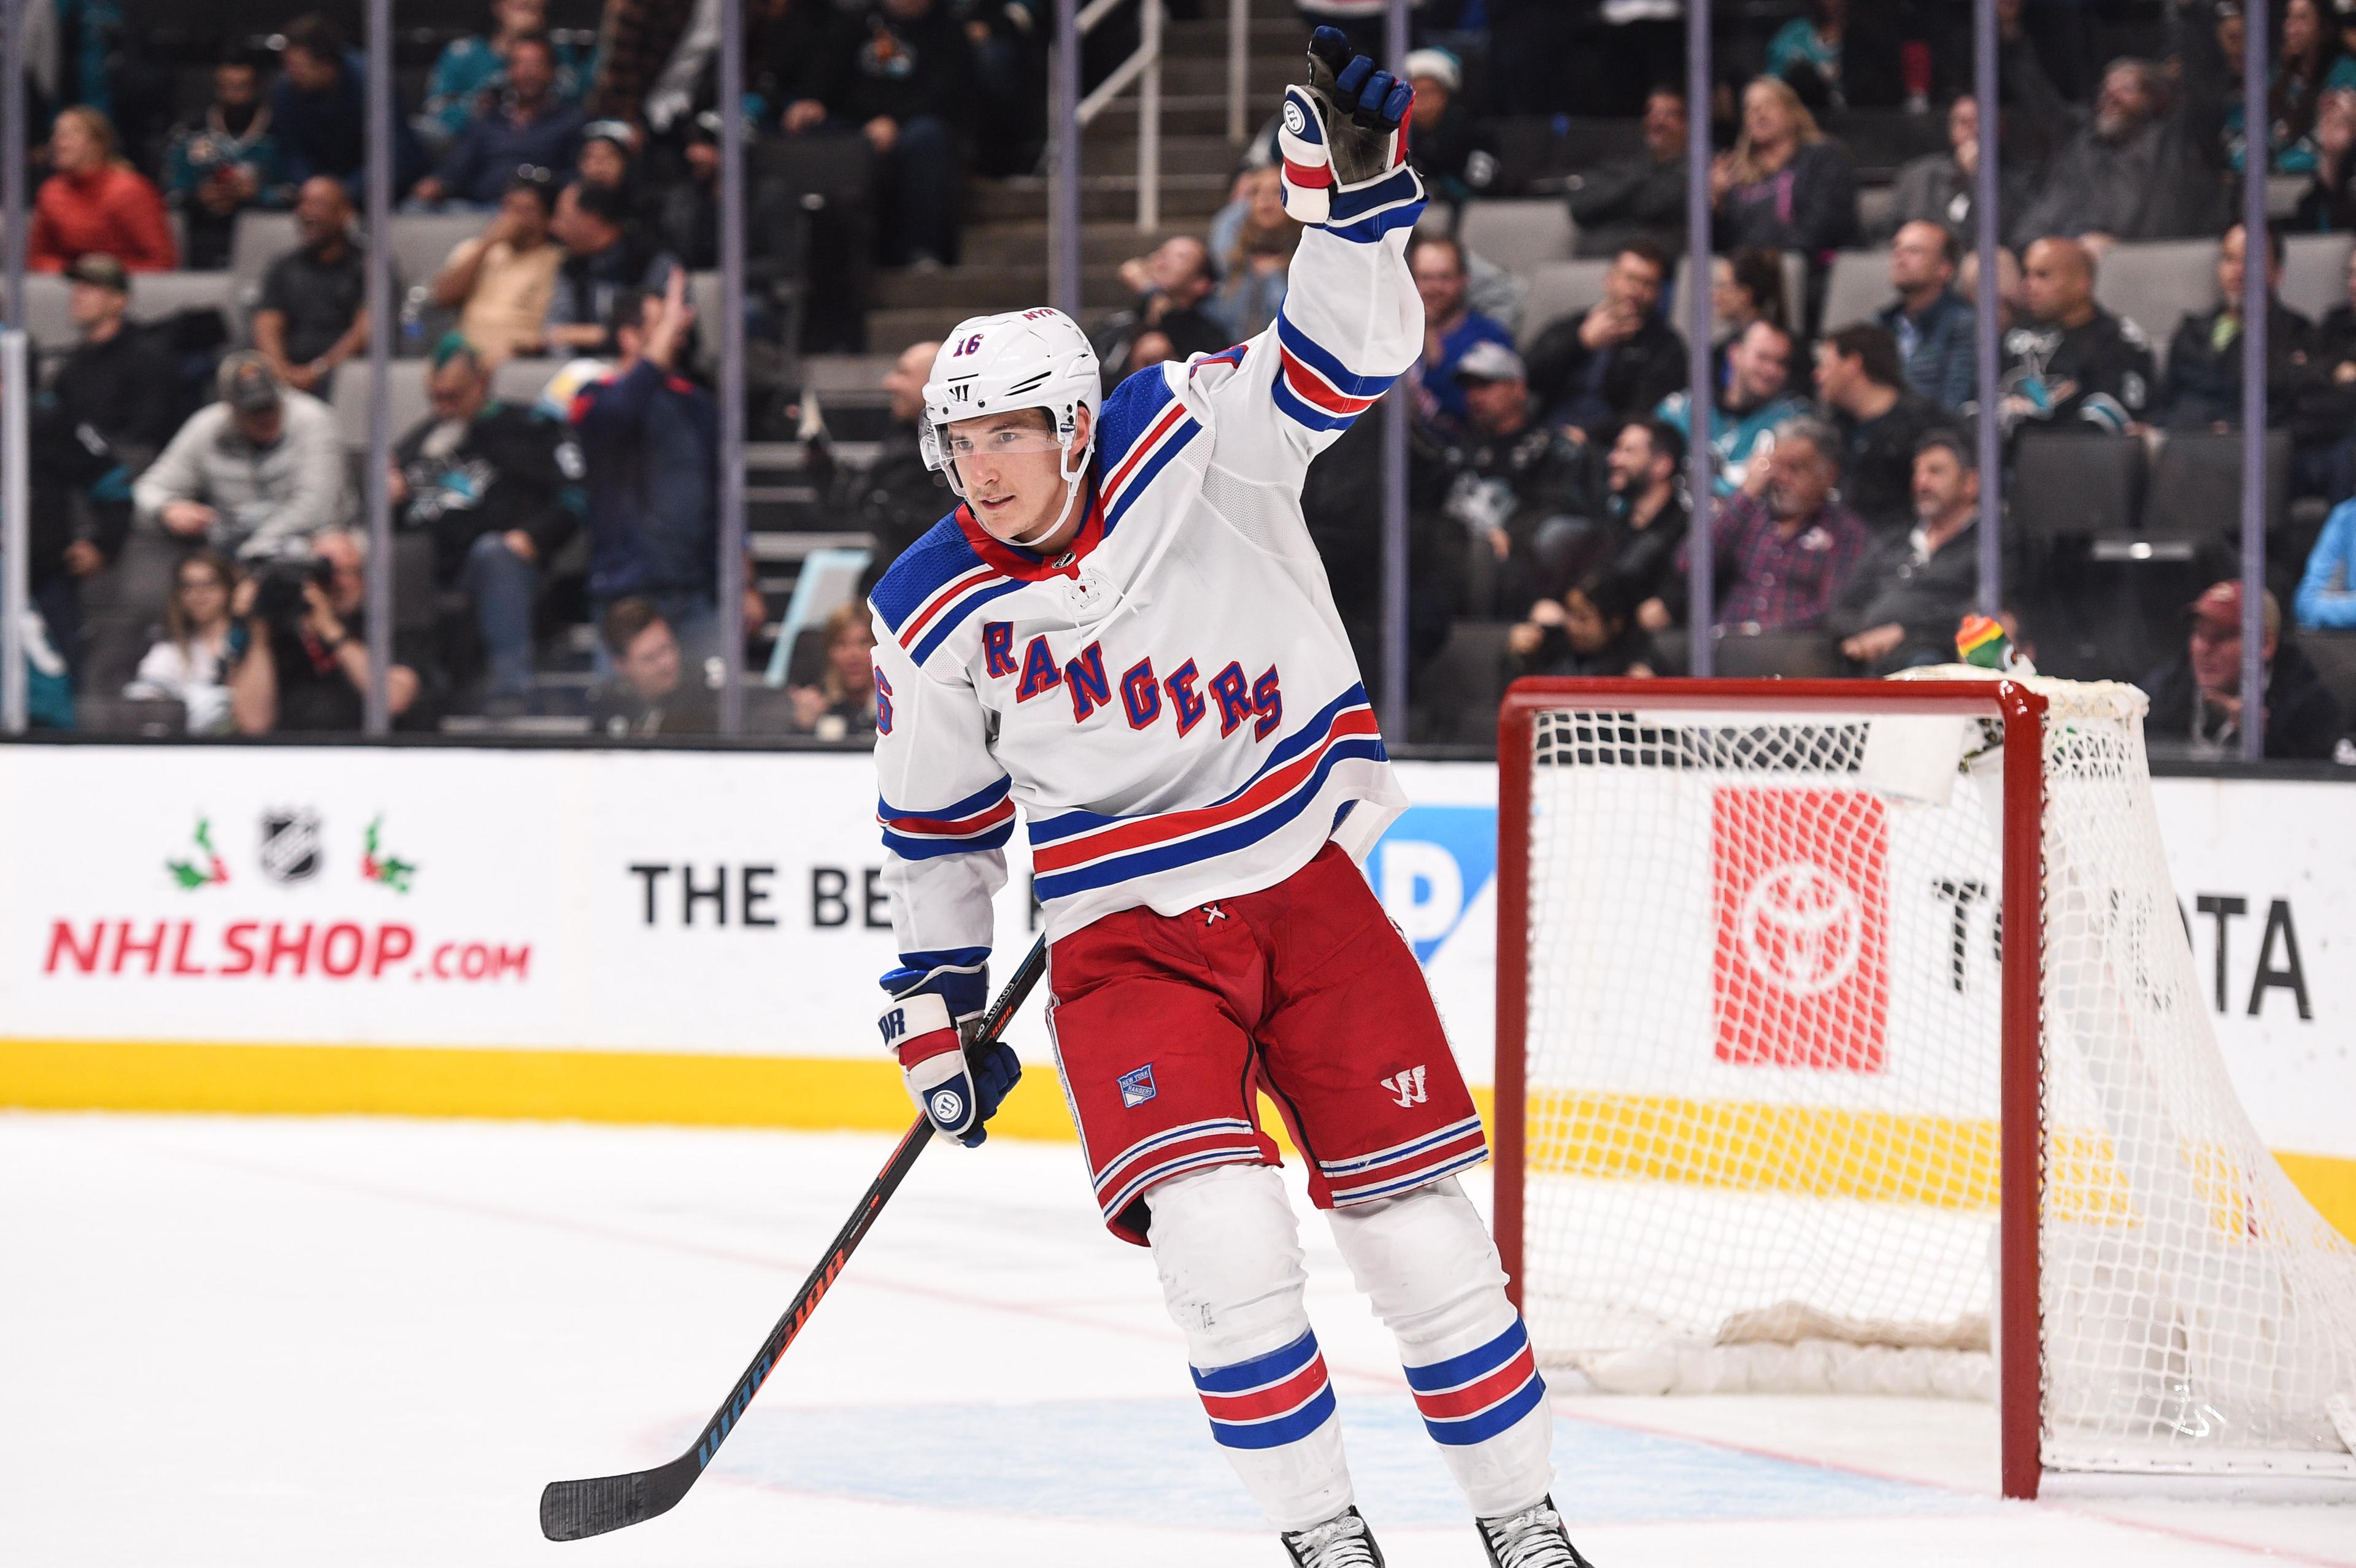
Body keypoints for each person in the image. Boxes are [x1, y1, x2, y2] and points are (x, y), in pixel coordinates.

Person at [863, 33, 1592, 1566]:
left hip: (1299, 893)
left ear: (1070, 425)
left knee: (1422, 1244)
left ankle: (1523, 1527)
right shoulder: (929, 608)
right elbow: (935, 824)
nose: (978, 468)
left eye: (1005, 435)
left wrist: (1351, 212)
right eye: (958, 441)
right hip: (1124, 939)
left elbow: (1341, 361)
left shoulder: (1194, 436)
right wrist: (933, 1002)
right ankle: (1323, 1537)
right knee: (1223, 1244)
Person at [390, 337, 583, 706]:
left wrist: (536, 537)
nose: (443, 408)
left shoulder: (528, 427)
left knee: (494, 553)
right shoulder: (420, 440)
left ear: (482, 382)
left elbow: (576, 494)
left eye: (454, 397)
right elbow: (397, 513)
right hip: (432, 573)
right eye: (436, 397)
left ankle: (509, 691)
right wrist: (389, 499)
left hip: (503, 566)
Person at [570, 272, 719, 663]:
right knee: (624, 714)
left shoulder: (696, 402)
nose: (678, 336)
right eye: (662, 327)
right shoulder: (594, 396)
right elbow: (619, 416)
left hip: (693, 589)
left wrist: (744, 580)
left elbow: (722, 494)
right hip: (626, 590)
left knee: (707, 718)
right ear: (629, 337)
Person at [1411, 341, 1601, 619]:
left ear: (1519, 389)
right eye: (1469, 387)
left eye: (1486, 385)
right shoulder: (1457, 450)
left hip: (1516, 564)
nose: (1475, 396)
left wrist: (1511, 533)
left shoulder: (1549, 448)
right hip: (1450, 556)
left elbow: (1561, 505)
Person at [779, 0, 975, 267]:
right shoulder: (857, 22)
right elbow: (829, 69)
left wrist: (896, 121)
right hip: (855, 124)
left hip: (914, 125)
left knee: (927, 138)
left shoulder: (948, 29)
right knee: (809, 133)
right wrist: (812, 99)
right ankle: (815, 261)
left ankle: (921, 250)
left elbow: (947, 92)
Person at [136, 353, 352, 562]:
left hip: (307, 537)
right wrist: (167, 508)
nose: (265, 417)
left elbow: (317, 505)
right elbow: (148, 488)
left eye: (269, 405)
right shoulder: (207, 427)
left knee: (335, 551)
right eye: (253, 410)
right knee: (198, 571)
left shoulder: (313, 419)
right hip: (230, 543)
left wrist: (257, 548)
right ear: (230, 408)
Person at [2009, 52, 2228, 246]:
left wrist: (2186, 14)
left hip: (2147, 263)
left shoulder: (2174, 145)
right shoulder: (2082, 142)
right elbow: (2042, 102)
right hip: (2069, 256)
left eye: (2126, 88)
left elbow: (2201, 87)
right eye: (2106, 88)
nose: (2111, 95)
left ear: (2156, 100)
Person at [226, 528, 422, 734]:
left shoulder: (385, 628)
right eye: (321, 572)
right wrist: (259, 632)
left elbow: (393, 699)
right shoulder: (279, 632)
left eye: (343, 571)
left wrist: (332, 630)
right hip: (292, 754)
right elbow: (253, 723)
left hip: (368, 753)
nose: (333, 582)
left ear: (365, 579)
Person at [1684, 417, 1869, 632]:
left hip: (1796, 653)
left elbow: (1835, 610)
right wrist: (1745, 494)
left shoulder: (1845, 532)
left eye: (1795, 469)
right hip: (1723, 646)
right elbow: (1687, 565)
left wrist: (1763, 632)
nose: (1781, 478)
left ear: (1828, 475)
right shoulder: (1747, 516)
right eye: (1775, 466)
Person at [1828, 432, 1986, 674]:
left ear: (1971, 483)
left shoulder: (1991, 544)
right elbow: (1843, 607)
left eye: (1935, 472)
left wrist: (1904, 634)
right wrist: (1864, 637)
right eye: (1918, 472)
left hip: (1935, 659)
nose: (1921, 483)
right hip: (1865, 659)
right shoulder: (1892, 540)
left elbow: (1989, 612)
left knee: (1924, 662)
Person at [13, 380, 134, 683]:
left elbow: (112, 481)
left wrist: (103, 544)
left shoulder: (48, 420)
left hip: (44, 582)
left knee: (60, 681)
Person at [2144, 580, 2339, 759]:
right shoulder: (2170, 687)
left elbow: (2315, 782)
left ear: (2265, 645)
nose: (2204, 649)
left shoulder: (2308, 704)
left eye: (2220, 637)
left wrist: (2265, 739)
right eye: (2199, 634)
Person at [2158, 223, 2317, 432]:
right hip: (2191, 450)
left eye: (2249, 260)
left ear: (2277, 274)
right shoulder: (2191, 332)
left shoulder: (2299, 333)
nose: (2237, 270)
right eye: (2229, 259)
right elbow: (2167, 405)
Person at [1522, 240, 1686, 443]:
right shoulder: (1574, 326)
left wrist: (1589, 437)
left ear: (1659, 293)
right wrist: (1580, 342)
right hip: (1546, 435)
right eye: (1630, 279)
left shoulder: (1665, 346)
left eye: (1647, 283)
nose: (1635, 290)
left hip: (1608, 447)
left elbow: (1646, 415)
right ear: (1609, 280)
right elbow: (1527, 376)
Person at [410, 32, 585, 209]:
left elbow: (577, 177)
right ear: (509, 71)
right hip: (478, 210)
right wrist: (436, 183)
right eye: (519, 64)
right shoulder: (489, 120)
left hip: (537, 212)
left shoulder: (570, 121)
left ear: (551, 71)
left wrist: (541, 189)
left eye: (536, 64)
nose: (527, 73)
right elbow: (456, 167)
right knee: (414, 208)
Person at [2001, 237, 2157, 435]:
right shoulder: (2018, 335)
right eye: (2027, 274)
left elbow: (2114, 419)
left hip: (2078, 456)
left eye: (2042, 275)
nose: (2029, 285)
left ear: (2082, 282)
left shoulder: (2119, 340)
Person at [1815, 323, 1952, 531]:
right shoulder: (1833, 428)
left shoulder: (1924, 427)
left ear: (1852, 364)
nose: (1818, 376)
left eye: (1825, 365)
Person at [272, 15, 428, 198]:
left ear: (327, 65)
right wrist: (312, 190)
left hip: (383, 192)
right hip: (322, 190)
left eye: (299, 67)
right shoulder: (287, 88)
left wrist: (343, 193)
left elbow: (393, 156)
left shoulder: (372, 82)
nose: (291, 75)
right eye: (288, 66)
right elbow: (292, 152)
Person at [1709, 76, 1860, 263]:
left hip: (1814, 271)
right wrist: (1716, 204)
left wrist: (1772, 265)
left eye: (1768, 104)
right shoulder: (1737, 175)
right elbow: (1726, 244)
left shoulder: (1825, 159)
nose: (1758, 112)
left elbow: (1822, 226)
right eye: (1750, 108)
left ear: (1793, 112)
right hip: (1751, 278)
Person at [163, 53, 287, 271]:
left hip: (263, 228)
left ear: (257, 87)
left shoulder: (282, 132)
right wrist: (198, 196)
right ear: (216, 88)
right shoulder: (190, 132)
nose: (234, 95)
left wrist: (257, 194)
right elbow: (170, 193)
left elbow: (295, 191)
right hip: (203, 231)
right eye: (226, 86)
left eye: (243, 86)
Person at [1657, 318, 1807, 496]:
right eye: (1763, 358)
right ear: (1735, 354)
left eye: (1781, 363)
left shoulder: (1795, 424)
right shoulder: (1680, 410)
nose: (1771, 371)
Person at [253, 177, 373, 400]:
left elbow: (366, 330)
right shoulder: (285, 266)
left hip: (344, 379)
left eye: (319, 204)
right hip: (283, 381)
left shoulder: (369, 266)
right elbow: (267, 324)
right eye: (303, 203)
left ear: (345, 213)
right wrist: (281, 372)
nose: (307, 213)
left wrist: (318, 371)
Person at [50, 253, 178, 461]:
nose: (77, 295)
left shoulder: (148, 357)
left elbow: (150, 432)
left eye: (91, 287)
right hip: (79, 463)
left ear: (119, 300)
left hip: (129, 466)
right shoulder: (73, 363)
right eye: (77, 286)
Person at [431, 170, 565, 365]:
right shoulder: (475, 249)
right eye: (509, 208)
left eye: (527, 211)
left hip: (520, 360)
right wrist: (487, 245)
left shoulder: (558, 260)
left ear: (547, 219)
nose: (515, 219)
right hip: (464, 357)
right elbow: (442, 297)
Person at [28, 107, 176, 274]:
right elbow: (37, 258)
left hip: (126, 288)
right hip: (69, 288)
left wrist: (102, 275)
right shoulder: (50, 192)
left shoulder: (131, 190)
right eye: (56, 135)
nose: (57, 142)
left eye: (68, 135)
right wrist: (73, 272)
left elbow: (162, 261)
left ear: (96, 145)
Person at [423, 0, 590, 146]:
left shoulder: (558, 53)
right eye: (521, 7)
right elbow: (437, 109)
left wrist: (532, 43)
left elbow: (575, 101)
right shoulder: (463, 53)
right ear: (498, 6)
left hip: (541, 142)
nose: (529, 7)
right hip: (470, 141)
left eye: (534, 7)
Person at [1879, 95, 2032, 247]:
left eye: (1982, 121)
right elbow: (1890, 231)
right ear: (1952, 129)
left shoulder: (2018, 181)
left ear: (2000, 129)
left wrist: (1976, 176)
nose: (1975, 130)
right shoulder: (1920, 176)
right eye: (1965, 123)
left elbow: (2006, 234)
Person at [545, 180, 677, 355]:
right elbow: (556, 333)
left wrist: (596, 335)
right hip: (586, 371)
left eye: (563, 218)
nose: (554, 227)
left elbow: (662, 332)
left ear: (593, 219)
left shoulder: (653, 260)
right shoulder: (571, 267)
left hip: (645, 369)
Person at [1406, 233, 1515, 432]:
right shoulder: (1394, 338)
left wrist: (1429, 334)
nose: (1434, 287)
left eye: (1445, 277)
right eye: (1425, 277)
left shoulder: (1490, 337)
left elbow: (1475, 409)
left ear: (1463, 280)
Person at [1093, 236, 1233, 388]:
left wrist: (1151, 292)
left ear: (1201, 284)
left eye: (1181, 256)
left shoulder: (1209, 339)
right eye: (1162, 251)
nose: (1164, 257)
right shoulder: (1117, 325)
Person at [1567, 85, 1688, 258]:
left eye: (1669, 114)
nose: (1658, 121)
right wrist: (1638, 181)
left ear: (1688, 123)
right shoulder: (1627, 162)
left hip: (1665, 264)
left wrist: (1618, 207)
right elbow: (1581, 206)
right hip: (1608, 258)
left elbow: (1656, 205)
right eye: (1652, 113)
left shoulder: (1699, 168)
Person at [125, 549, 238, 733]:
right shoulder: (170, 647)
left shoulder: (248, 640)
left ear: (228, 588)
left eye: (209, 584)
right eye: (189, 586)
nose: (199, 595)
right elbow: (144, 696)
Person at [1600, 415, 1691, 634]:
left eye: (1628, 451)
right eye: (1616, 449)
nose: (1614, 459)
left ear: (1662, 465)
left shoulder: (1688, 530)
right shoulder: (1614, 528)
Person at [1876, 221, 1979, 411]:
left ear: (1945, 269)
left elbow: (1955, 402)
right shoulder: (1882, 323)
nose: (1899, 257)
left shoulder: (1964, 325)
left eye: (1914, 251)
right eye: (1896, 248)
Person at [589, 596, 717, 735]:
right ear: (621, 665)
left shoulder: (706, 692)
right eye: (651, 658)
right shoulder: (608, 704)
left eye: (667, 648)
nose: (667, 664)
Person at [1210, 167, 1301, 341]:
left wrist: (1273, 273)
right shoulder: (1231, 258)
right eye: (1255, 192)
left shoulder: (1308, 255)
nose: (1265, 199)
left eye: (1277, 191)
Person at [1509, 571, 1657, 678]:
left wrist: (1647, 693)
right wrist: (1518, 659)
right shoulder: (1549, 646)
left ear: (1615, 623)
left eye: (1583, 618)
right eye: (1569, 615)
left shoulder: (1639, 660)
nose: (1572, 627)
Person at [1401, 48, 1494, 210]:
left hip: (1469, 219)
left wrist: (1441, 188)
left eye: (1430, 92)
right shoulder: (1392, 135)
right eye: (1414, 92)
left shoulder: (1475, 135)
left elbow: (1482, 187)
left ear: (1446, 95)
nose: (1421, 101)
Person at [787, 600, 880, 739]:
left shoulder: (897, 707)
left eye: (863, 643)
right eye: (842, 644)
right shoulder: (815, 707)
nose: (853, 655)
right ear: (829, 652)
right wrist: (803, 728)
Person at [1765, 0, 1847, 109]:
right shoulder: (1792, 36)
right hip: (1797, 114)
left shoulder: (1863, 41)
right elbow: (1771, 85)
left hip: (1849, 117)